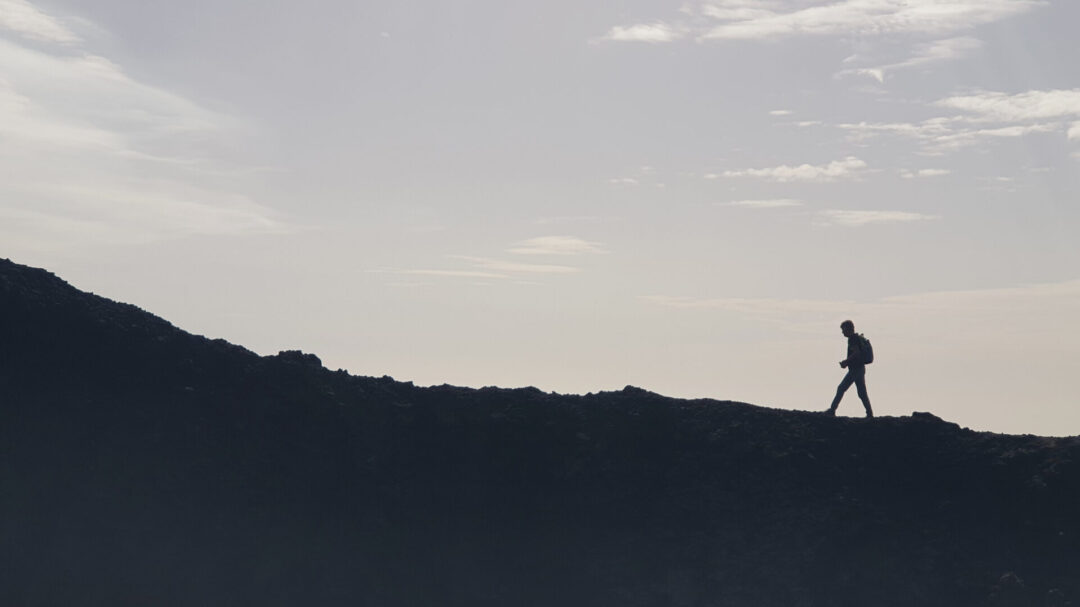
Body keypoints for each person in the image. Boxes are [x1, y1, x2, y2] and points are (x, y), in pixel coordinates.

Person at [826, 320, 873, 418]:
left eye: (843, 330)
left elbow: (856, 353)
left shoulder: (852, 339)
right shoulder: (856, 338)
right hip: (860, 368)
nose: (842, 332)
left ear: (848, 329)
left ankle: (832, 410)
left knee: (841, 388)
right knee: (862, 393)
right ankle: (869, 413)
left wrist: (846, 362)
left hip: (855, 369)